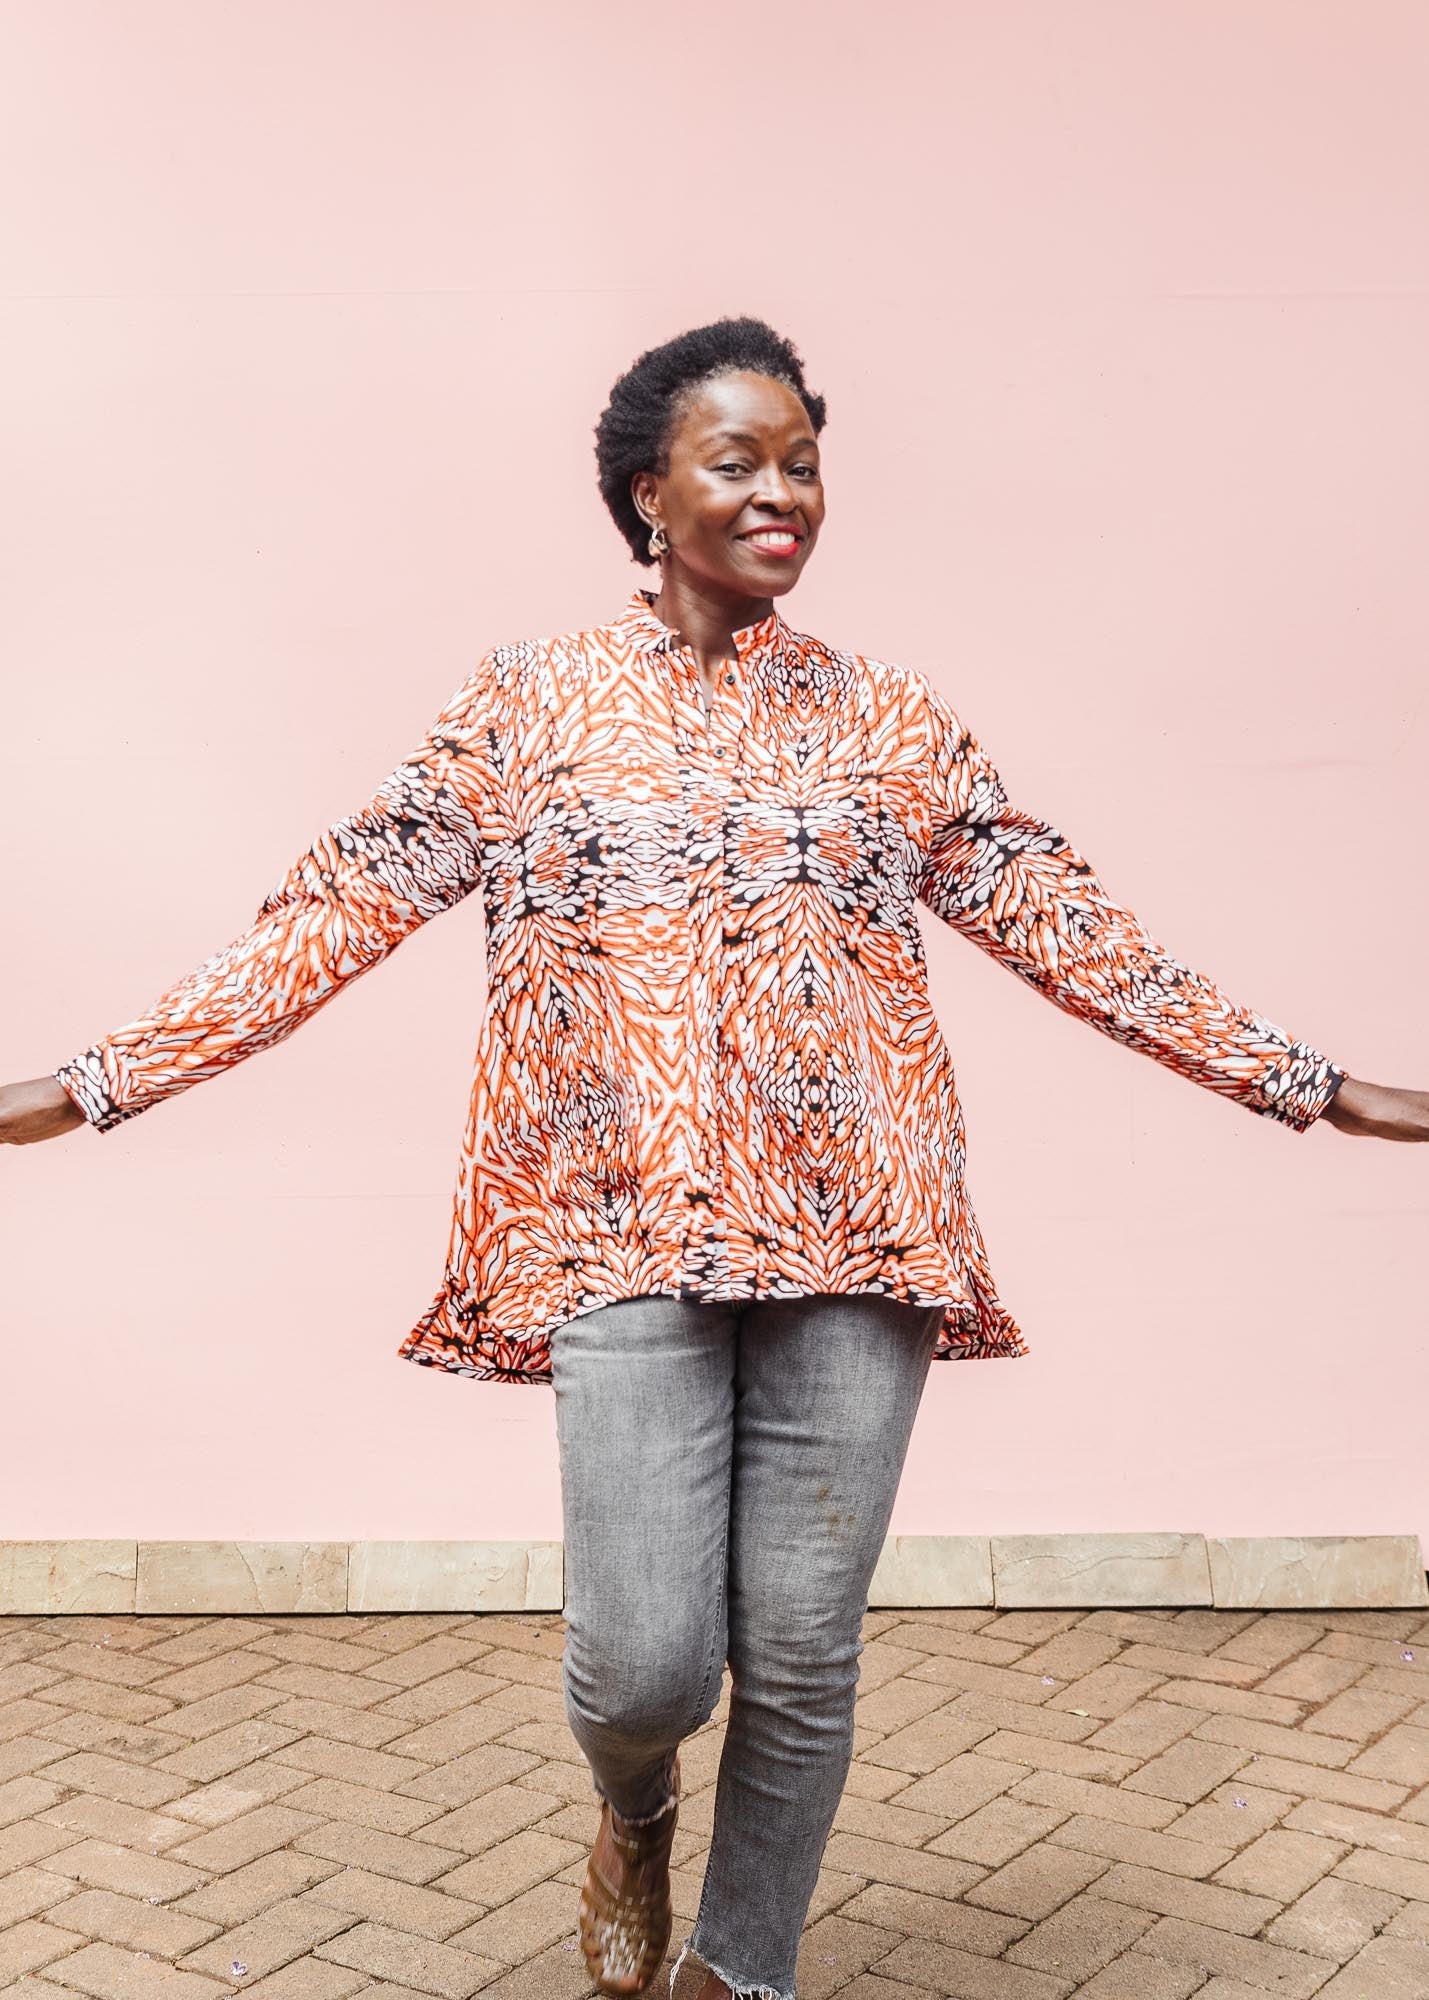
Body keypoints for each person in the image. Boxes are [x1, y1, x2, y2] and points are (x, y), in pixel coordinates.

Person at [3, 315, 1425, 2000]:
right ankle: (631, 1814)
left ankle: (736, 1973)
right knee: (643, 1670)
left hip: (861, 1224)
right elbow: (335, 908)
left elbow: (1064, 923)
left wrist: (1309, 1082)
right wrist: (97, 1082)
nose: (783, 495)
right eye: (738, 462)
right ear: (644, 491)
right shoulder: (528, 705)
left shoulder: (884, 713)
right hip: (613, 1223)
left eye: (804, 464)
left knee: (807, 1653)